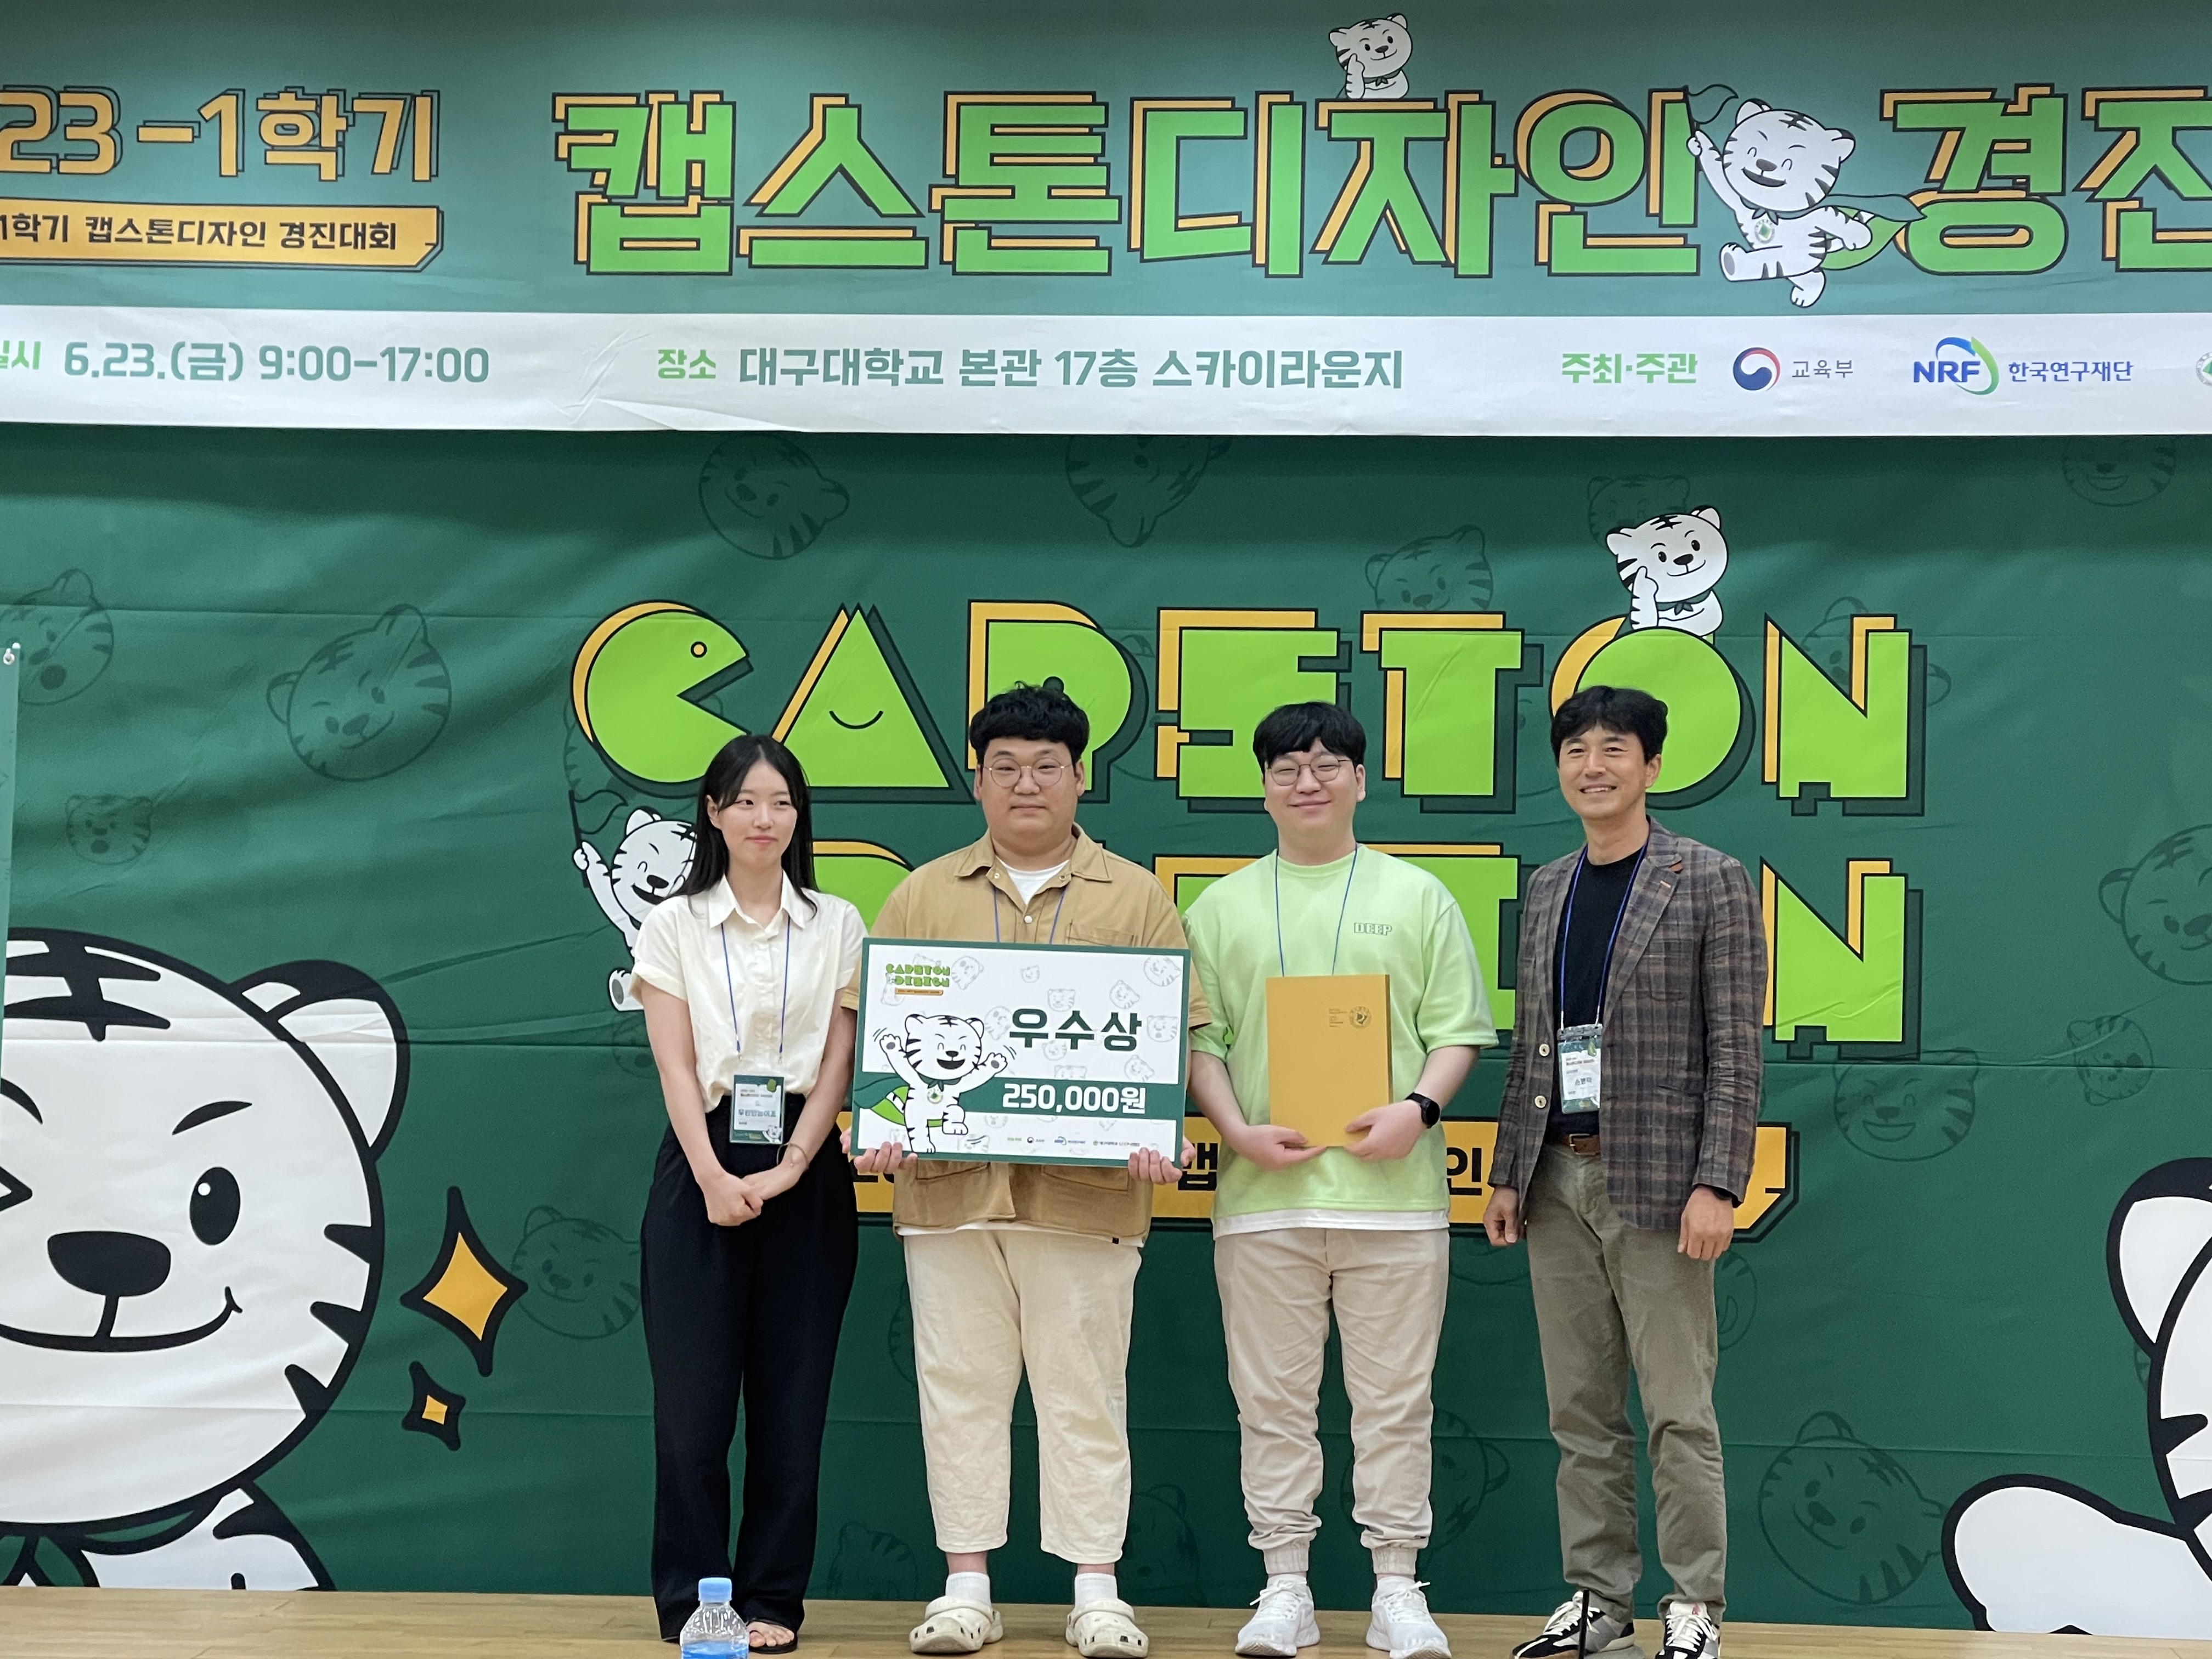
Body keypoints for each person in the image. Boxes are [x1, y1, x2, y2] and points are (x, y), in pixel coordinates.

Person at [847, 682, 1205, 1659]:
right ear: (978, 781)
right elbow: (883, 1040)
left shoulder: (1135, 896)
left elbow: (1174, 1036)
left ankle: (1097, 1591)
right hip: (947, 1194)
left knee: (1086, 1393)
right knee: (958, 1389)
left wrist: (1157, 1128)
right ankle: (967, 1587)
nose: (1027, 782)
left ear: (1081, 778)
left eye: (1048, 765)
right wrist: (881, 1126)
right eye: (1004, 766)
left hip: (1088, 1199)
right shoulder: (922, 895)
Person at [1182, 703, 1493, 1659]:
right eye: (1286, 767)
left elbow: (1456, 1030)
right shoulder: (1218, 908)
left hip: (1394, 1202)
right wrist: (1233, 1128)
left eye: (1326, 764)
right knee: (1270, 1405)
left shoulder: (1419, 897)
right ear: (1263, 787)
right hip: (1263, 1200)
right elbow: (1201, 1042)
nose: (1307, 781)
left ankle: (1397, 1586)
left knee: (1395, 1404)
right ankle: (1286, 1586)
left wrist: (1419, 1109)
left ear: (1360, 779)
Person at [1480, 686, 1764, 1659]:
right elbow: (1533, 1043)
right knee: (1581, 1411)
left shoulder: (1709, 878)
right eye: (1575, 750)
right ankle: (1599, 1600)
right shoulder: (1548, 887)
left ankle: (1695, 1602)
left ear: (1652, 765)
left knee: (1679, 1410)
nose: (1592, 766)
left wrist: (1718, 1182)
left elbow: (1736, 1048)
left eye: (1613, 748)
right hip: (1554, 1177)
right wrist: (1509, 1173)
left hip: (1661, 1182)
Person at [630, 735, 865, 1651]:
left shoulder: (838, 922)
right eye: (745, 802)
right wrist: (711, 1174)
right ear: (714, 814)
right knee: (691, 1414)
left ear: (799, 816)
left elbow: (839, 1058)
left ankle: (771, 1600)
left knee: (791, 1407)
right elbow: (674, 1065)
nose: (764, 819)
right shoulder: (675, 924)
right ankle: (696, 1602)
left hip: (807, 1162)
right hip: (704, 1158)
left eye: (781, 802)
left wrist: (797, 1163)